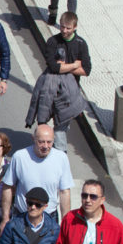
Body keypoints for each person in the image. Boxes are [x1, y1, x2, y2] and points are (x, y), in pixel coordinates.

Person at [34, 11, 91, 152]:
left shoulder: (81, 44)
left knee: (61, 127)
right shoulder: (53, 41)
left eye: (68, 28)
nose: (64, 31)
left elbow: (86, 71)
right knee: (43, 121)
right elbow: (53, 66)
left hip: (68, 93)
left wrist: (64, 66)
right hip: (50, 89)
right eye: (63, 27)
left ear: (75, 27)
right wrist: (74, 65)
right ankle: (49, 148)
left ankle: (59, 154)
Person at [0, 125, 73, 229]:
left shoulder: (61, 158)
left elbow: (64, 192)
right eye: (41, 142)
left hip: (49, 218)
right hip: (22, 216)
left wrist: (66, 224)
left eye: (49, 142)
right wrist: (5, 218)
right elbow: (7, 187)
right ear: (33, 139)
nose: (45, 146)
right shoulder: (20, 157)